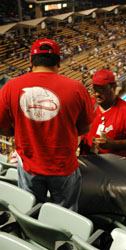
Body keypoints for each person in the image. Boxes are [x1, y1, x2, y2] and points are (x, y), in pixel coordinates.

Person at [0, 38, 94, 211]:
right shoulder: (77, 88)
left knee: (30, 210)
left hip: (29, 166)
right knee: (66, 215)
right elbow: (84, 128)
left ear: (30, 62)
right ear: (58, 62)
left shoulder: (10, 87)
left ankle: (33, 235)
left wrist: (21, 130)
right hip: (64, 166)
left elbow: (2, 128)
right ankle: (61, 238)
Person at [80, 69, 126, 160]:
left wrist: (113, 144)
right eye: (95, 89)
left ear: (113, 87)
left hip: (115, 167)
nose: (97, 94)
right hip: (88, 163)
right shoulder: (89, 104)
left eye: (102, 89)